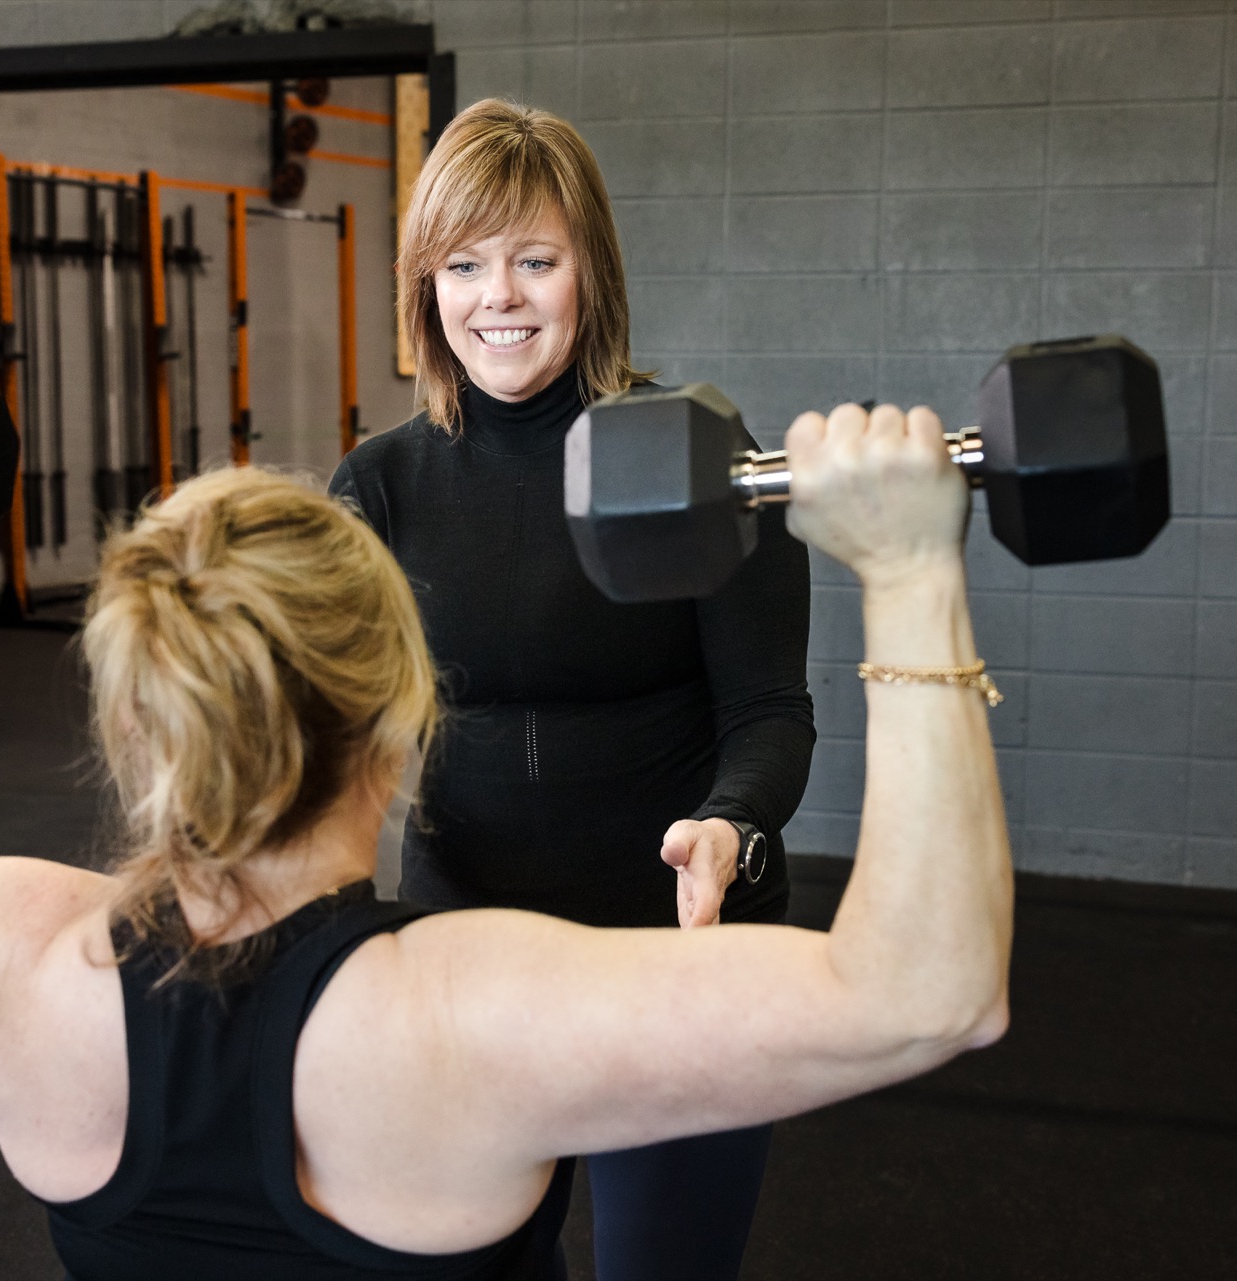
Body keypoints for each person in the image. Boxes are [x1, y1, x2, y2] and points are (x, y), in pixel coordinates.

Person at [0, 381, 1011, 1280]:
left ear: (133, 720)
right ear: (401, 727)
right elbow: (928, 993)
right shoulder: (469, 1015)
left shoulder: (13, 968)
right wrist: (906, 568)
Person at [328, 98, 815, 1277]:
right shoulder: (379, 485)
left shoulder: (694, 454)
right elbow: (323, 725)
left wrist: (731, 824)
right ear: (426, 285)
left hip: (678, 952)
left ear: (588, 269)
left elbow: (767, 712)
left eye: (535, 261)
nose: (499, 298)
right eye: (465, 265)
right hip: (469, 955)